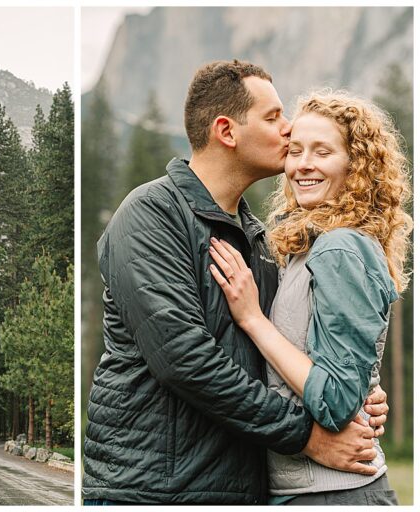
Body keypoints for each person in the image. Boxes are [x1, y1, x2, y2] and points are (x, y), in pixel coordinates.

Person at [82, 61, 389, 505]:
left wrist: (361, 390)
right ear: (227, 131)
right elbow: (186, 360)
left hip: (241, 490)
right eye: (273, 118)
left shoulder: (259, 240)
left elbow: (292, 350)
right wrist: (307, 436)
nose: (288, 131)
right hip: (154, 492)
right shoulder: (151, 215)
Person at [207, 90, 410, 505]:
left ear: (357, 165)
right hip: (306, 490)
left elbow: (335, 399)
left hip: (336, 494)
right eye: (295, 150)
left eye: (322, 151)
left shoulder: (339, 248)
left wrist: (253, 319)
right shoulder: (311, 248)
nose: (303, 165)